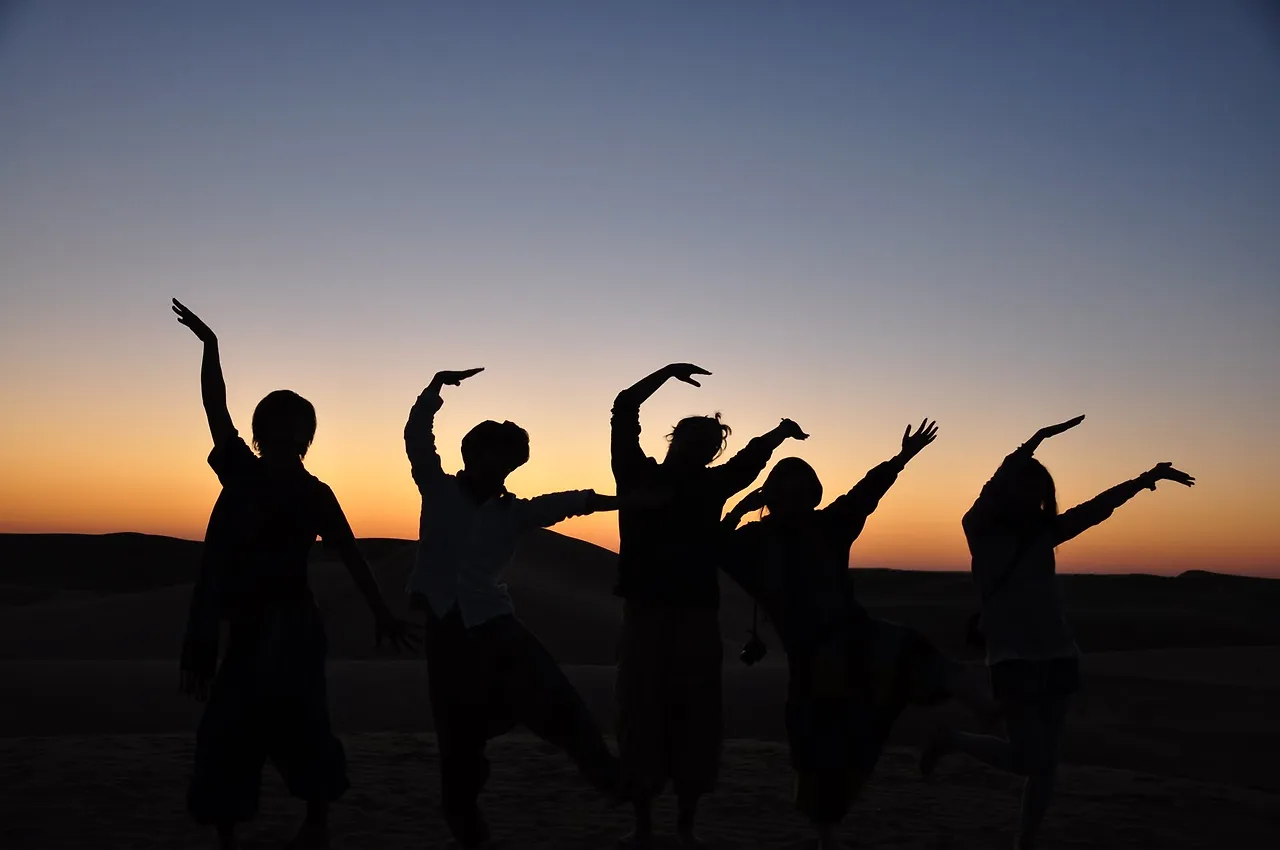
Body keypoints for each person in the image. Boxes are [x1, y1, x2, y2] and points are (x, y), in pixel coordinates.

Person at [173, 299, 416, 850]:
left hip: (293, 628)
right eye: (274, 426)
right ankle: (233, 831)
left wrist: (382, 613)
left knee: (303, 724)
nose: (283, 434)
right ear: (262, 432)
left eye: (293, 426)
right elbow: (216, 408)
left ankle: (315, 821)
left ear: (306, 434)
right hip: (250, 626)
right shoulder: (242, 473)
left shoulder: (313, 494)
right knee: (227, 730)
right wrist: (211, 347)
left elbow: (352, 556)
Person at [920, 415, 1195, 850]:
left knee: (1046, 764)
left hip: (1059, 654)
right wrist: (1031, 444)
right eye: (1025, 490)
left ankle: (1025, 842)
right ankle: (952, 740)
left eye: (1039, 493)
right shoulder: (980, 531)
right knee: (1026, 759)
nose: (1032, 499)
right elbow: (990, 489)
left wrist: (1145, 480)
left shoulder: (1045, 533)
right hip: (1013, 659)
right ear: (1009, 492)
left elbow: (1096, 509)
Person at [720, 421, 994, 849]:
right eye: (786, 492)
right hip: (813, 660)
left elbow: (867, 491)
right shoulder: (756, 541)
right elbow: (716, 547)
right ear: (773, 497)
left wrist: (901, 458)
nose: (795, 499)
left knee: (912, 655)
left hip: (856, 640)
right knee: (818, 750)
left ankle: (984, 708)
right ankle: (826, 835)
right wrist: (739, 510)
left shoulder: (825, 526)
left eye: (801, 491)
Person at [405, 367, 624, 850]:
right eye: (496, 456)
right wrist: (435, 388)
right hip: (447, 628)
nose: (502, 467)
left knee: (557, 696)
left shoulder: (513, 512)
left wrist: (624, 499)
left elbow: (572, 502)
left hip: (495, 624)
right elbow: (417, 437)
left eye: (510, 461)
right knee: (457, 744)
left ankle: (611, 780)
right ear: (474, 454)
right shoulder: (438, 489)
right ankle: (470, 833)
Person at [610, 362, 808, 849]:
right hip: (648, 613)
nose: (699, 446)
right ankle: (646, 826)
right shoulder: (637, 473)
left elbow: (751, 459)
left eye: (707, 442)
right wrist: (667, 372)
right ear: (675, 439)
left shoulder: (708, 484)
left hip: (695, 615)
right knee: (642, 712)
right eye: (694, 438)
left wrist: (779, 434)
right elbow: (625, 407)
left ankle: (682, 826)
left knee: (695, 717)